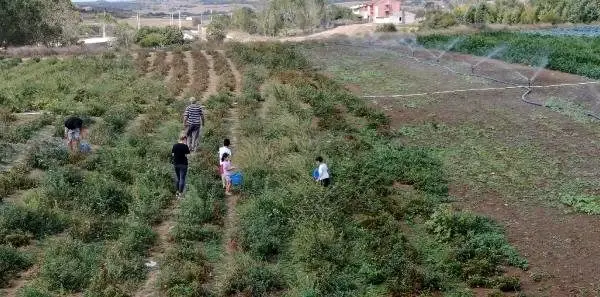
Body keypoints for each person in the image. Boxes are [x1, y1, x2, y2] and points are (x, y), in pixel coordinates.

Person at [172, 134, 191, 198]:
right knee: (182, 178)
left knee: (178, 178)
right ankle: (180, 194)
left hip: (176, 164)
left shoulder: (175, 145)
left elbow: (173, 154)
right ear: (184, 139)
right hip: (183, 164)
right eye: (186, 140)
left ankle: (177, 192)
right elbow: (187, 155)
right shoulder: (185, 146)